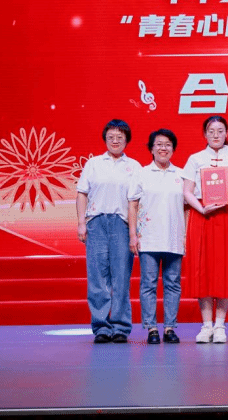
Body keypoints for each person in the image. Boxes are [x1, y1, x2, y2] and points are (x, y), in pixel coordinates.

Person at [182, 116, 228, 344]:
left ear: (227, 133)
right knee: (203, 269)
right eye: (211, 131)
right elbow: (187, 191)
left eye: (220, 131)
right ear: (205, 134)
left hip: (227, 215)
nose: (216, 135)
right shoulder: (195, 159)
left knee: (225, 268)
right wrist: (201, 208)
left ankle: (220, 325)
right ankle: (206, 325)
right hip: (203, 215)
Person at [76, 119, 141, 344]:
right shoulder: (93, 164)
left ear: (126, 140)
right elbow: (82, 193)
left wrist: (134, 232)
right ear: (105, 139)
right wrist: (81, 223)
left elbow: (136, 202)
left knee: (121, 277)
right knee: (97, 277)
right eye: (111, 137)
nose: (115, 141)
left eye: (120, 137)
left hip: (122, 223)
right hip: (97, 222)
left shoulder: (134, 166)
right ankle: (101, 326)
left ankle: (121, 326)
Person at [128, 129, 185, 345]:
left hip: (174, 237)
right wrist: (133, 235)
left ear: (173, 149)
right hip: (149, 238)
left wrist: (186, 235)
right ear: (151, 148)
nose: (163, 148)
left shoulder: (181, 175)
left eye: (168, 144)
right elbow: (132, 205)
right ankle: (151, 328)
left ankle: (170, 327)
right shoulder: (141, 174)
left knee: (173, 283)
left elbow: (187, 208)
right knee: (148, 284)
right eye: (159, 144)